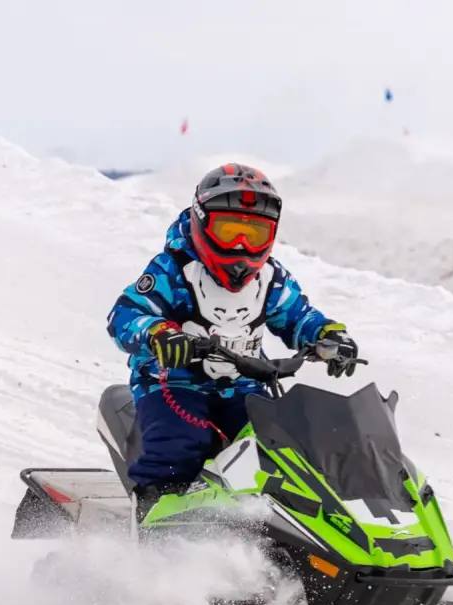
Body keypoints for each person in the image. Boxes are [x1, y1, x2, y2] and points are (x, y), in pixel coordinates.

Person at [106, 163, 358, 519]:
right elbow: (125, 315)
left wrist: (326, 336)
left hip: (245, 386)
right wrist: (157, 333)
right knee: (180, 444)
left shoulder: (271, 279)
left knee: (288, 451)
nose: (241, 248)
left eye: (253, 235)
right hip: (174, 382)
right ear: (201, 222)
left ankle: (289, 534)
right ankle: (151, 525)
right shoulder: (173, 270)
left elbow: (297, 315)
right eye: (229, 231)